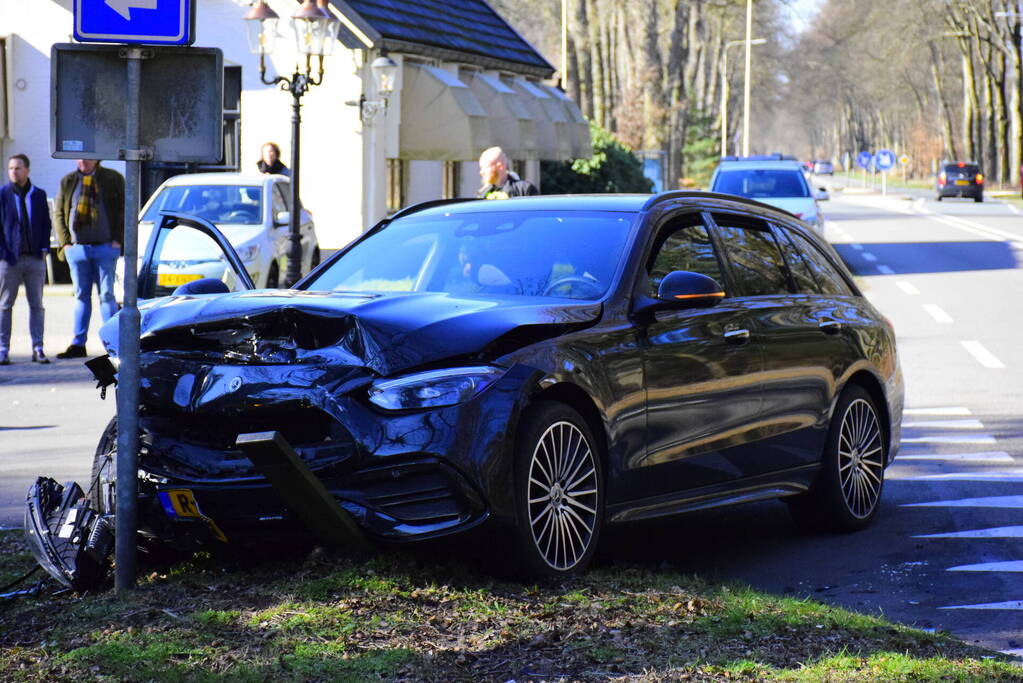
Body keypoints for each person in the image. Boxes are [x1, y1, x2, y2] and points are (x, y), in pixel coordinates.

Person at [53, 159, 124, 359]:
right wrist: (66, 243)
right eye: (80, 157)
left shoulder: (112, 178)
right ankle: (78, 344)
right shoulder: (69, 181)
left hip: (106, 247)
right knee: (81, 296)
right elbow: (58, 213)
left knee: (107, 296)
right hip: (77, 249)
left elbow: (123, 210)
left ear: (96, 158)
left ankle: (113, 343)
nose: (83, 160)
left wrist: (118, 240)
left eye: (88, 156)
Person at [0, 154, 52, 365]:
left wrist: (44, 248)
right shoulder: (2, 195)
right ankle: (3, 349)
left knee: (37, 305)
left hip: (34, 259)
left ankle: (38, 347)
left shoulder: (38, 195)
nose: (14, 171)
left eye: (18, 168)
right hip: (9, 259)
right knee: (4, 305)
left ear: (27, 170)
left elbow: (46, 223)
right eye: (11, 168)